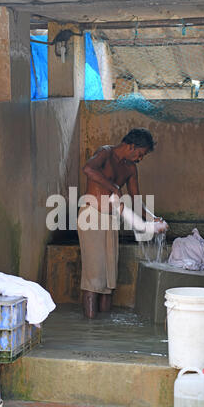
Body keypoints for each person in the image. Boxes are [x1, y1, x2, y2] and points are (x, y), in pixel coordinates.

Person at [77, 127, 165, 319]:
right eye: (140, 154)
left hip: (112, 219)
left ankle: (104, 330)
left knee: (109, 277)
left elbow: (136, 200)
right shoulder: (105, 153)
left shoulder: (131, 168)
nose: (140, 159)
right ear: (131, 146)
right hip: (91, 216)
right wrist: (113, 187)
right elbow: (88, 169)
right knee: (94, 275)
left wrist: (152, 218)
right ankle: (90, 329)